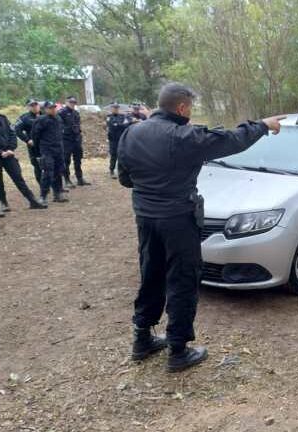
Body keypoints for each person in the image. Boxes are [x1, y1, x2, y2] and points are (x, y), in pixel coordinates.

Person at [117, 82, 285, 372]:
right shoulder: (183, 136)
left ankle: (141, 339)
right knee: (182, 279)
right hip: (178, 219)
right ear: (182, 108)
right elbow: (231, 141)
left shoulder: (131, 132)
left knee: (151, 273)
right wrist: (263, 125)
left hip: (145, 218)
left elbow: (125, 178)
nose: (191, 113)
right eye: (190, 108)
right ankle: (178, 350)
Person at [0, 96, 46, 211]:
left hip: (8, 154)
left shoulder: (4, 118)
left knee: (18, 177)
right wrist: (0, 151)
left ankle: (32, 201)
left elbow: (12, 134)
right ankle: (4, 203)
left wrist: (11, 149)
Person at [32, 101, 69, 204]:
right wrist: (39, 149)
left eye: (54, 107)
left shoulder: (58, 119)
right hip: (47, 150)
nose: (53, 109)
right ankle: (43, 196)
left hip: (59, 149)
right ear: (45, 109)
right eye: (50, 108)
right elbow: (35, 135)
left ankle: (58, 194)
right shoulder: (41, 120)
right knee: (48, 172)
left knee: (59, 171)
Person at [58, 96, 90, 187]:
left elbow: (78, 126)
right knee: (66, 160)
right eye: (71, 102)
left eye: (74, 102)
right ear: (66, 102)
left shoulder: (76, 113)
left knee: (78, 160)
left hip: (76, 139)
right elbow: (60, 126)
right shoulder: (61, 113)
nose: (73, 104)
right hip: (66, 140)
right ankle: (67, 180)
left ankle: (79, 178)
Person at [14, 99, 43, 190]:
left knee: (51, 165)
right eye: (32, 105)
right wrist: (27, 140)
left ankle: (54, 185)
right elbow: (17, 130)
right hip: (34, 147)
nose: (35, 107)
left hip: (47, 145)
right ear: (28, 107)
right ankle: (42, 186)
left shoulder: (45, 114)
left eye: (36, 105)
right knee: (38, 166)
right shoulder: (25, 118)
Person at [105, 102, 129, 178]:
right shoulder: (108, 116)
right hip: (113, 140)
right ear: (111, 108)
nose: (116, 109)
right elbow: (112, 126)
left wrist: (118, 124)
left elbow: (126, 125)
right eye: (114, 107)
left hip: (121, 139)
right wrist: (120, 124)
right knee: (113, 156)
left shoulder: (122, 116)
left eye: (117, 108)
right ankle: (111, 170)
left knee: (121, 155)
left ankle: (120, 171)